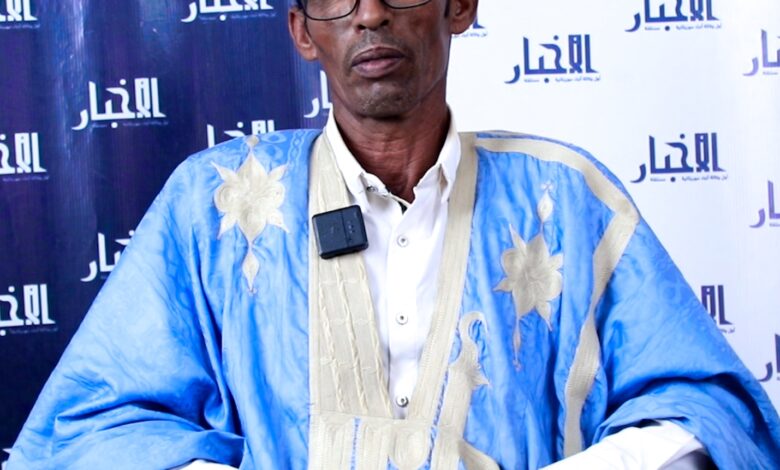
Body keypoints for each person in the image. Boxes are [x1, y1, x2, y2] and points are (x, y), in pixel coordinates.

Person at [8, 0, 780, 468]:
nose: (371, 14)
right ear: (302, 31)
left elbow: (708, 409)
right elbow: (92, 424)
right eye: (337, 0)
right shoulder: (216, 205)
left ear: (459, 7)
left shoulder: (567, 200)